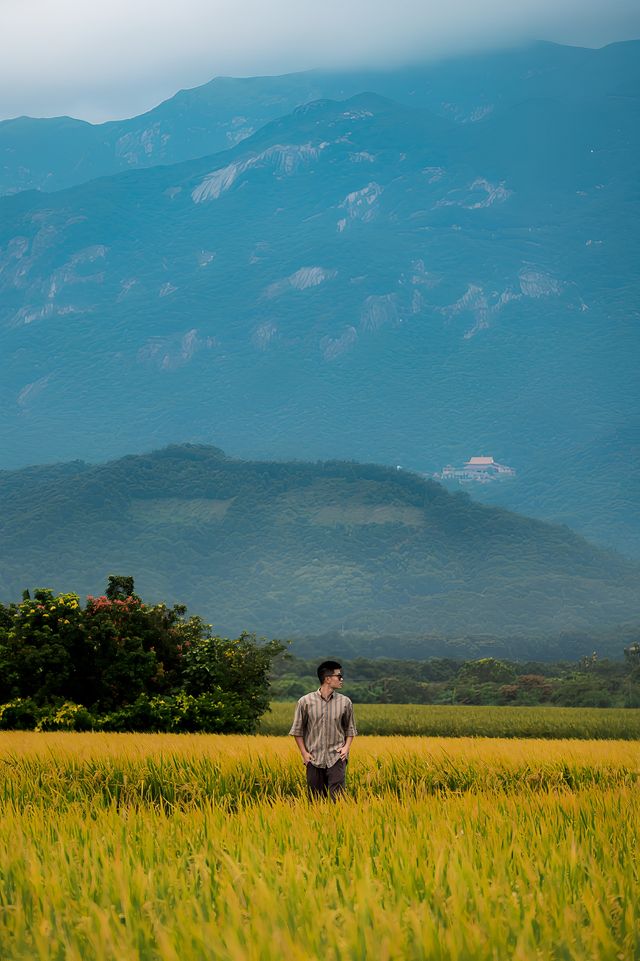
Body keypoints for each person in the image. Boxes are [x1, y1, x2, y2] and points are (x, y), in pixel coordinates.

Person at [289, 660, 357, 799]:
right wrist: (304, 753)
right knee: (315, 800)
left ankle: (338, 821)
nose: (341, 679)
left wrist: (346, 748)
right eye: (338, 676)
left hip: (336, 757)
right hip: (313, 758)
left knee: (338, 799)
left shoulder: (345, 702)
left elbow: (350, 729)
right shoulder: (305, 701)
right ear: (327, 679)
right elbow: (297, 730)